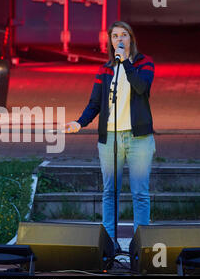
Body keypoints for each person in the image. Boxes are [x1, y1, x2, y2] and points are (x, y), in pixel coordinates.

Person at [65, 21, 156, 250]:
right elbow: (95, 103)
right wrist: (79, 122)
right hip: (110, 139)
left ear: (131, 39)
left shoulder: (145, 64)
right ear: (110, 41)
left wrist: (125, 62)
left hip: (139, 139)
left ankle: (140, 247)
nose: (119, 40)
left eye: (124, 35)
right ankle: (108, 245)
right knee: (110, 192)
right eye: (115, 36)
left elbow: (141, 88)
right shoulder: (104, 70)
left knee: (140, 193)